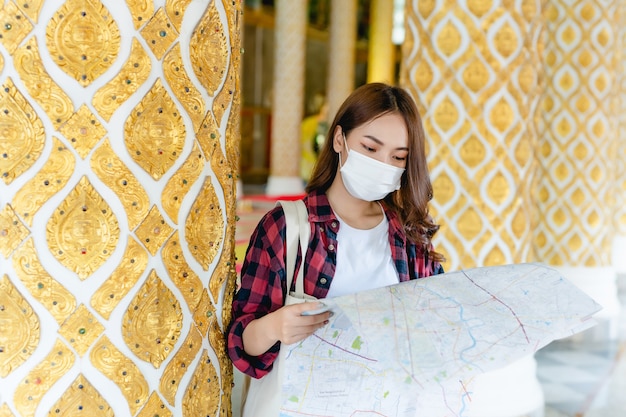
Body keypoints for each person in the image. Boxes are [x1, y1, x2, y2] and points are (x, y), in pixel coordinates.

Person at [227, 82, 445, 412]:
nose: (383, 164)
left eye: (398, 157)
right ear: (339, 139)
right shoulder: (286, 227)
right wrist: (275, 326)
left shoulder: (410, 238)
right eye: (370, 149)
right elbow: (242, 343)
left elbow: (434, 336)